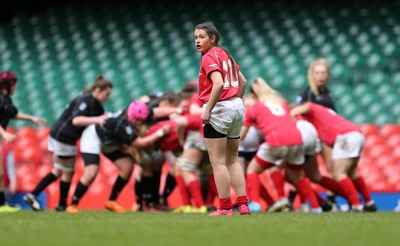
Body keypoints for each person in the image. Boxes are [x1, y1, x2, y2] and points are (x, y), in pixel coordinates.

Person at [23, 75, 112, 211]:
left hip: (59, 135)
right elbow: (76, 121)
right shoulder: (86, 100)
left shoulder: (92, 101)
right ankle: (59, 203)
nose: (107, 98)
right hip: (64, 136)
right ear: (98, 90)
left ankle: (40, 196)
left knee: (59, 170)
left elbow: (101, 116)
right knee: (66, 171)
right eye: (106, 94)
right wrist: (97, 119)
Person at [65, 100, 170, 213]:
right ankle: (72, 204)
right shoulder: (121, 123)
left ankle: (111, 201)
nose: (139, 123)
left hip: (111, 142)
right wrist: (160, 133)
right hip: (94, 138)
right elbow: (140, 143)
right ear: (131, 115)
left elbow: (154, 111)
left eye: (141, 120)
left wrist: (178, 110)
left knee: (128, 167)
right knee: (91, 173)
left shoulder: (136, 113)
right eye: (137, 120)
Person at [194, 22, 249, 216]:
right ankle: (243, 204)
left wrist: (208, 110)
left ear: (213, 38)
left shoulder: (208, 57)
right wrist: (234, 101)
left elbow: (217, 84)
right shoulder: (226, 54)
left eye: (202, 37)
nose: (198, 41)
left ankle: (225, 207)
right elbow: (243, 81)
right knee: (232, 159)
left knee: (217, 162)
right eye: (196, 38)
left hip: (219, 108)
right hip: (236, 106)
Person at [242, 78, 322, 213]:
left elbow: (241, 136)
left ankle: (255, 205)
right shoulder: (282, 103)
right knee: (296, 176)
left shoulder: (254, 108)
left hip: (276, 141)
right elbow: (293, 122)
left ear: (254, 95)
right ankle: (316, 207)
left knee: (252, 170)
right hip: (296, 140)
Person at [290, 102, 377, 212]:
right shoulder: (319, 112)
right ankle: (369, 202)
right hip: (356, 134)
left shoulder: (309, 106)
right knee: (351, 172)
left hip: (345, 136)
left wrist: (285, 116)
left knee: (338, 173)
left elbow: (294, 112)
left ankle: (356, 205)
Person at [292, 58, 338, 207]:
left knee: (332, 169)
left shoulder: (328, 94)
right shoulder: (307, 94)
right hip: (311, 138)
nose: (320, 76)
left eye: (323, 73)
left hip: (325, 138)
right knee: (302, 172)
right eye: (317, 72)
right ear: (311, 74)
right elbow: (294, 111)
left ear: (328, 75)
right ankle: (294, 201)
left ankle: (331, 202)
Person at [0, 70, 46, 212]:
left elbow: (13, 113)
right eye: (14, 84)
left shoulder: (6, 99)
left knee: (0, 173)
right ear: (8, 85)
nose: (16, 87)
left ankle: (2, 205)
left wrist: (32, 118)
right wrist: (4, 134)